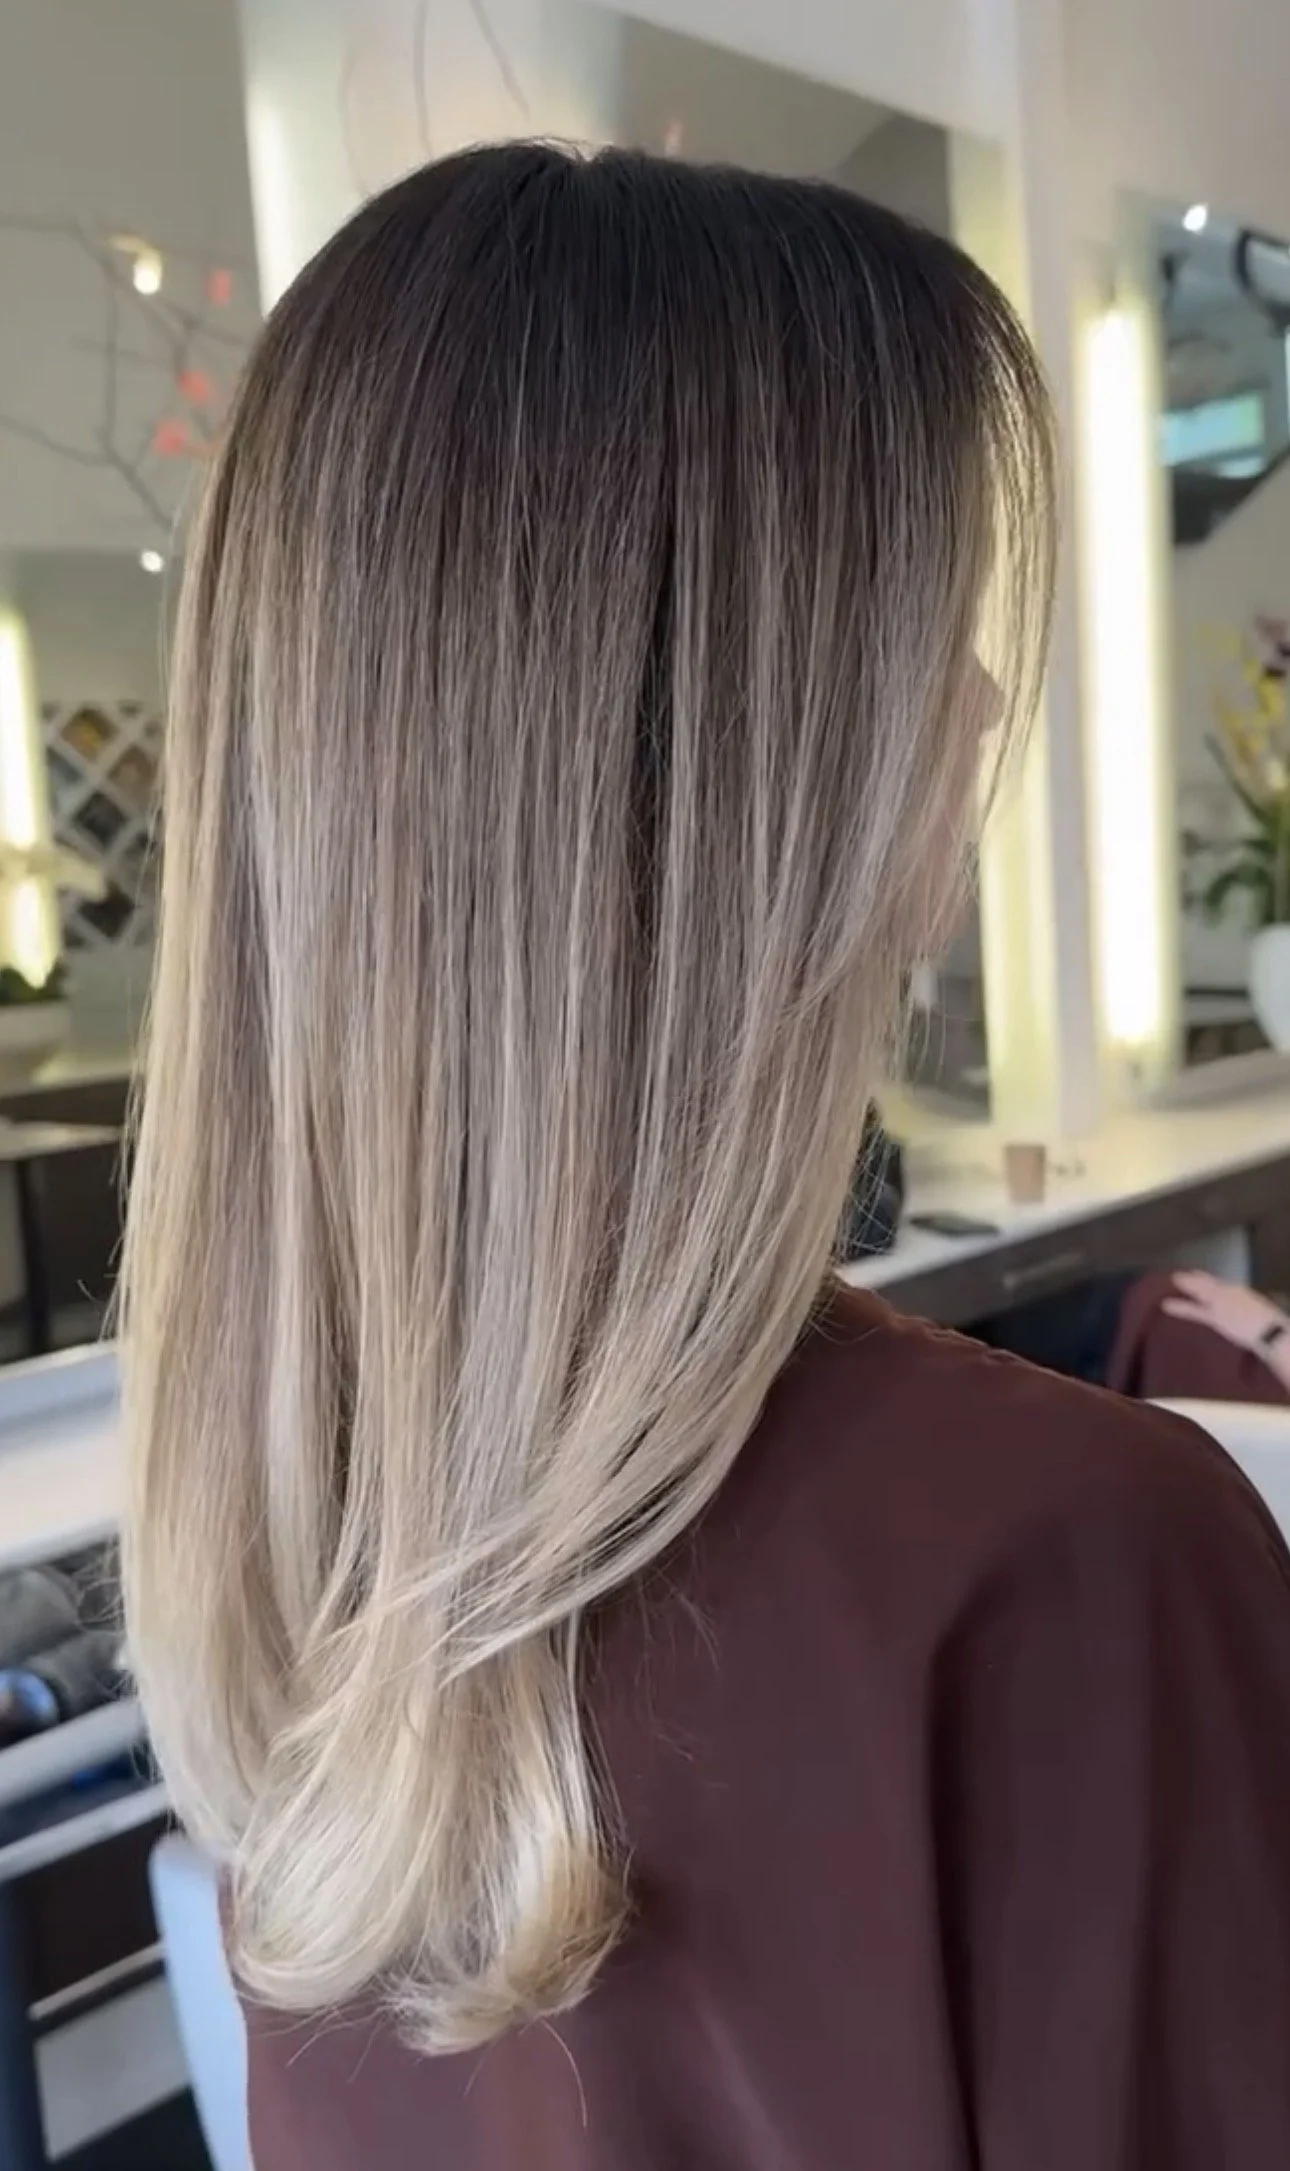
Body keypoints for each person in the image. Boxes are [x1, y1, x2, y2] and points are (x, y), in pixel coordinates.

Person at [122, 144, 1290, 2170]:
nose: (990, 696)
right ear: (744, 754)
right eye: (918, 628)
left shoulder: (288, 1541)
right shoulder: (1069, 1559)